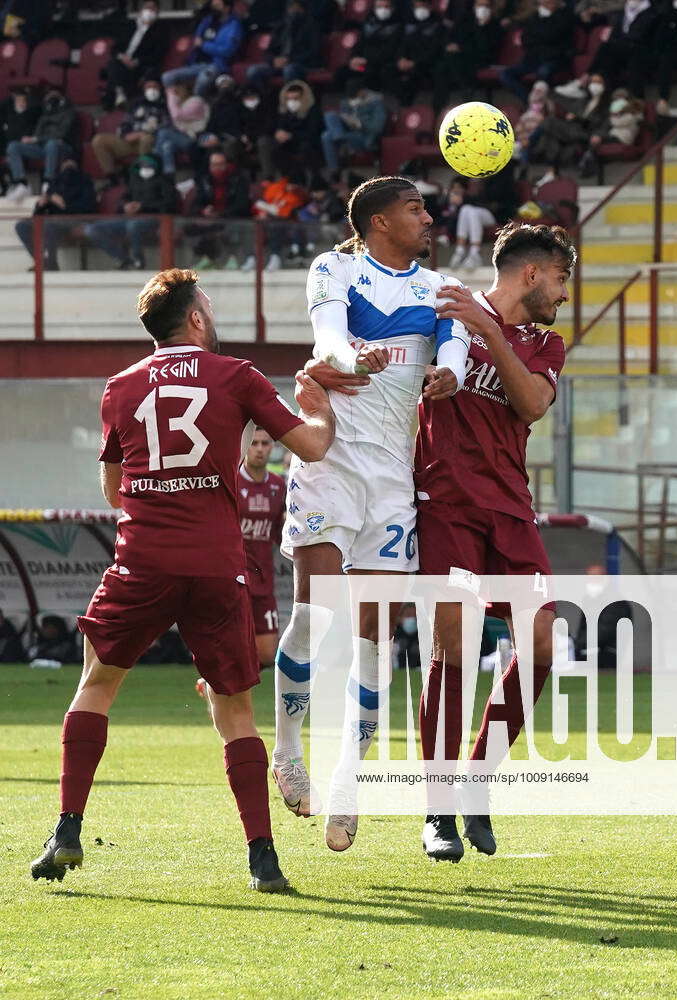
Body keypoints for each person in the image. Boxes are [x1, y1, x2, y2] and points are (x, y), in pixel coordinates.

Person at [29, 266, 335, 892]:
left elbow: (116, 490)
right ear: (195, 319)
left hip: (142, 558)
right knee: (235, 709)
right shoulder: (237, 376)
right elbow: (311, 447)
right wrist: (323, 413)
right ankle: (262, 858)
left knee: (97, 684)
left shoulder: (119, 387)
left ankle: (66, 828)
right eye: (210, 307)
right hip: (216, 565)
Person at [272, 175, 471, 852]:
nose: (427, 216)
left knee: (374, 639)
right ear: (379, 221)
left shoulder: (439, 288)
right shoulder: (335, 267)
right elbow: (327, 341)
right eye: (415, 208)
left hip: (392, 476)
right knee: (313, 614)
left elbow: (453, 351)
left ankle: (348, 781)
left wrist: (449, 373)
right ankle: (290, 747)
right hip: (330, 460)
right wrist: (349, 356)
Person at [415, 221, 575, 862]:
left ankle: (479, 779)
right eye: (561, 279)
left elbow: (532, 403)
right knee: (453, 649)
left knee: (541, 641)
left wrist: (489, 335)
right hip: (445, 504)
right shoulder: (445, 313)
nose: (564, 294)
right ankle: (438, 810)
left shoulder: (546, 344)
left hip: (511, 511)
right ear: (532, 273)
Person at [237, 428, 287, 668]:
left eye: (265, 444)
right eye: (254, 443)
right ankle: (222, 688)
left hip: (264, 579)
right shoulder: (232, 481)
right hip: (234, 578)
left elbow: (279, 533)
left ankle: (217, 684)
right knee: (234, 645)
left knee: (267, 654)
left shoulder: (278, 486)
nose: (259, 449)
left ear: (272, 448)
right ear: (245, 447)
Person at [85, 153, 177, 270]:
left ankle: (138, 260)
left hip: (154, 219)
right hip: (129, 218)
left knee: (133, 226)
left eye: (149, 165)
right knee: (92, 229)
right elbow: (122, 200)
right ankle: (123, 259)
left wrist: (143, 206)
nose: (145, 168)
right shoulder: (135, 181)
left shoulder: (165, 182)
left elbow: (169, 205)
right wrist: (125, 206)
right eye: (142, 165)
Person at [16, 154, 97, 271]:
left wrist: (64, 205)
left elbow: (88, 208)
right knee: (22, 225)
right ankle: (41, 262)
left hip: (76, 220)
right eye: (65, 163)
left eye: (71, 163)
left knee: (50, 225)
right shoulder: (55, 182)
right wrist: (40, 204)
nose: (67, 166)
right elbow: (37, 215)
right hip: (54, 219)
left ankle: (51, 264)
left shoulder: (85, 182)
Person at [5, 88, 77, 204]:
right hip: (43, 147)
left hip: (63, 147)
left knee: (52, 144)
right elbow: (37, 133)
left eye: (52, 94)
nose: (50, 98)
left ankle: (48, 182)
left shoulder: (69, 112)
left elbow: (61, 134)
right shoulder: (44, 115)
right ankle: (21, 183)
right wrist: (30, 140)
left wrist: (37, 139)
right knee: (13, 146)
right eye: (48, 95)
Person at [432, 0, 504, 112]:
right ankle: (438, 108)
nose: (482, 8)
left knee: (449, 63)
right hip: (463, 57)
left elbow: (486, 49)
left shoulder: (495, 24)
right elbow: (453, 36)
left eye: (486, 6)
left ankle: (466, 90)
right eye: (480, 5)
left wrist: (481, 26)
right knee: (442, 67)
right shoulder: (466, 19)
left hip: (482, 59)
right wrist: (451, 45)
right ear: (474, 6)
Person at [161, 0, 243, 98]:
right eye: (213, 5)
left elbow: (227, 51)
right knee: (168, 77)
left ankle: (197, 108)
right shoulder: (207, 21)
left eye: (218, 5)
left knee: (202, 81)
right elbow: (196, 41)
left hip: (217, 65)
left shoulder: (234, 26)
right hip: (196, 63)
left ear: (227, 8)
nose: (214, 8)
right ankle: (176, 110)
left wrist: (204, 45)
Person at [91, 79, 168, 181]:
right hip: (130, 140)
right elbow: (125, 123)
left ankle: (144, 176)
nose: (152, 90)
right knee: (99, 140)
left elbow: (166, 127)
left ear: (160, 89)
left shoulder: (164, 105)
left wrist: (143, 133)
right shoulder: (136, 104)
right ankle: (111, 176)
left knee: (146, 139)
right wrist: (126, 135)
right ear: (144, 90)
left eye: (155, 87)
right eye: (149, 87)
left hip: (150, 140)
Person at [499, 0, 574, 104]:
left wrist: (537, 35)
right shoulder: (533, 17)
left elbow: (552, 35)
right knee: (506, 74)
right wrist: (539, 37)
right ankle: (530, 102)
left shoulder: (565, 16)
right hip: (532, 59)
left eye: (550, 2)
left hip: (553, 58)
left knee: (543, 72)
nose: (547, 4)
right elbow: (525, 39)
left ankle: (536, 105)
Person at [188, 148, 252, 270]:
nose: (217, 168)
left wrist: (219, 214)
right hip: (211, 219)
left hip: (232, 217)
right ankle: (207, 259)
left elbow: (242, 205)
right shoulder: (205, 180)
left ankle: (231, 259)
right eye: (214, 165)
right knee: (191, 227)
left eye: (220, 164)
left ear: (226, 164)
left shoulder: (239, 180)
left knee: (231, 228)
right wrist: (204, 211)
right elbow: (196, 204)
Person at [102, 1, 168, 109]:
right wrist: (122, 57)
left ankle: (113, 97)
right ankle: (119, 94)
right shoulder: (130, 26)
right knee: (114, 64)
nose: (149, 11)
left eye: (153, 9)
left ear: (157, 13)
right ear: (141, 11)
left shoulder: (161, 30)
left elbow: (158, 54)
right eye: (147, 8)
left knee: (113, 70)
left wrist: (137, 61)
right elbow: (115, 49)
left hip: (141, 65)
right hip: (122, 62)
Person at [246, 0, 321, 89]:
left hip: (300, 64)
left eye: (295, 7)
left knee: (289, 70)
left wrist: (289, 60)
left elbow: (314, 51)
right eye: (290, 7)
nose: (293, 10)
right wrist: (273, 60)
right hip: (278, 63)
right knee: (253, 71)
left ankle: (289, 101)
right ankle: (263, 99)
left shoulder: (311, 26)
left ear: (302, 9)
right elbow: (268, 51)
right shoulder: (281, 26)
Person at [321, 80, 387, 175]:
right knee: (329, 117)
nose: (352, 98)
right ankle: (334, 168)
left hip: (365, 137)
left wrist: (359, 123)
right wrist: (347, 119)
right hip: (348, 133)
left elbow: (377, 127)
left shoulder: (376, 103)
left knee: (327, 136)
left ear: (362, 91)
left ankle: (340, 141)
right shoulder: (346, 102)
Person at [154, 83, 210, 178]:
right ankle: (169, 175)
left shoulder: (196, 101)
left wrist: (170, 95)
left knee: (163, 133)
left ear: (187, 90)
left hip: (194, 139)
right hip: (181, 137)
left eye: (179, 90)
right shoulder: (179, 104)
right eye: (175, 91)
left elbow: (177, 115)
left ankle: (155, 163)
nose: (177, 92)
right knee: (167, 146)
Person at [272, 79, 323, 177]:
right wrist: (279, 133)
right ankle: (286, 179)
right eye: (289, 99)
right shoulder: (285, 112)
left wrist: (291, 136)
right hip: (291, 143)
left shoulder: (313, 111)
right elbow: (281, 126)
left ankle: (313, 177)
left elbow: (313, 133)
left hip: (309, 143)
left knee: (306, 149)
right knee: (276, 151)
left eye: (296, 98)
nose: (292, 102)